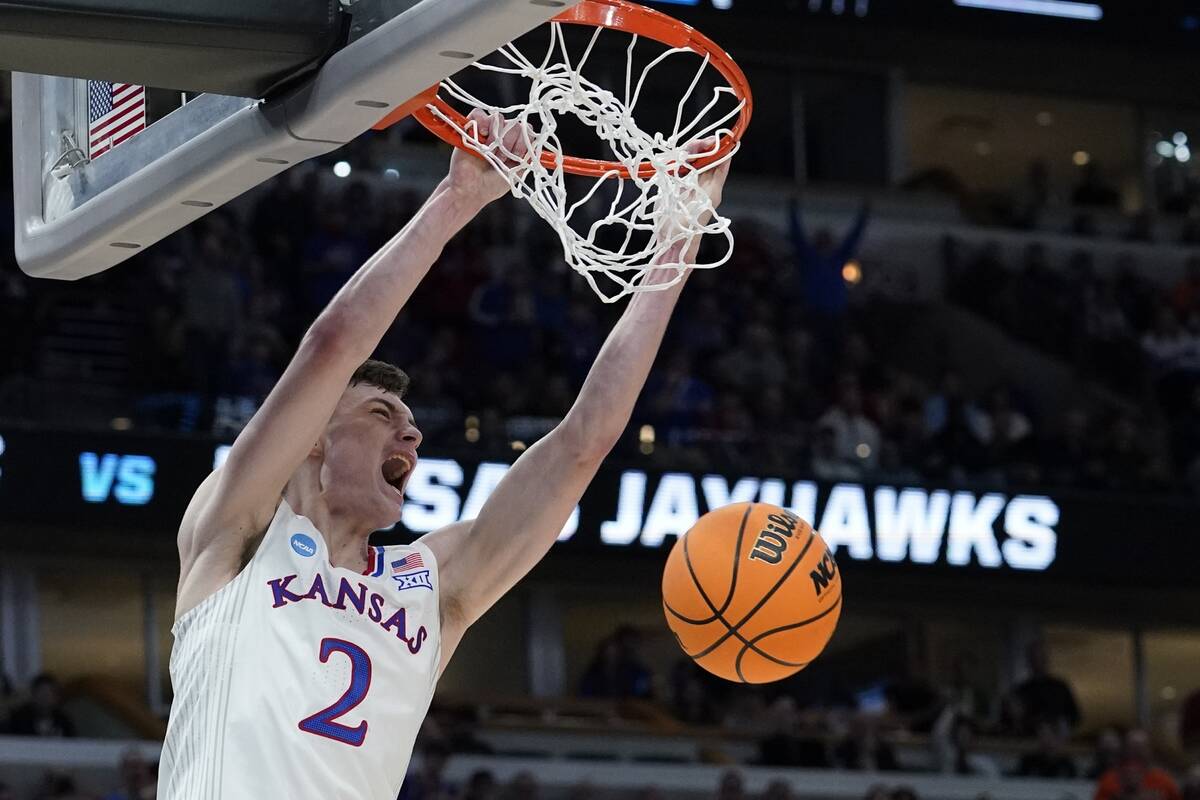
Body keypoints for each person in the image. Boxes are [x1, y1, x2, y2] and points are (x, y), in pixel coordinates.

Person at [155, 110, 732, 800]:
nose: (412, 435)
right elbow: (333, 344)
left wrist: (679, 237)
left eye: (410, 422)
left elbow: (585, 442)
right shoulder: (240, 532)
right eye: (380, 414)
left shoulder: (428, 586)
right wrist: (457, 199)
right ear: (313, 438)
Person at [1010, 641, 1081, 735]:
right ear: (1029, 661)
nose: (1038, 661)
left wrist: (1059, 725)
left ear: (1046, 659)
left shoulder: (1060, 687)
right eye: (1034, 658)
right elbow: (1012, 722)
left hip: (1059, 742)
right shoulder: (1021, 691)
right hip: (1029, 743)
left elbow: (1075, 716)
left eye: (1040, 657)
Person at [8, 674, 75, 738]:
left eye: (49, 694)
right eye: (42, 693)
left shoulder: (63, 721)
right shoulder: (18, 719)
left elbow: (73, 743)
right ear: (33, 695)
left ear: (56, 697)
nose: (45, 698)